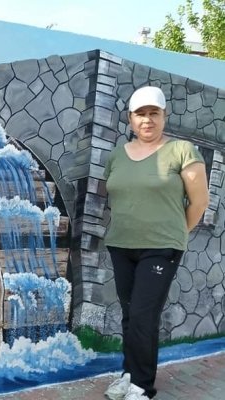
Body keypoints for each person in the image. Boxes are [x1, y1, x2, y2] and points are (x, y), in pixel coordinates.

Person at [102, 86, 209, 400]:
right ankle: (129, 374)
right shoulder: (117, 155)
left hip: (161, 247)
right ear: (130, 118)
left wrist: (175, 234)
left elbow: (200, 202)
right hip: (121, 244)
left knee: (143, 315)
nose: (147, 120)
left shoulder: (182, 150)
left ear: (164, 116)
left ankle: (142, 386)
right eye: (140, 114)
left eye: (154, 113)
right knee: (129, 314)